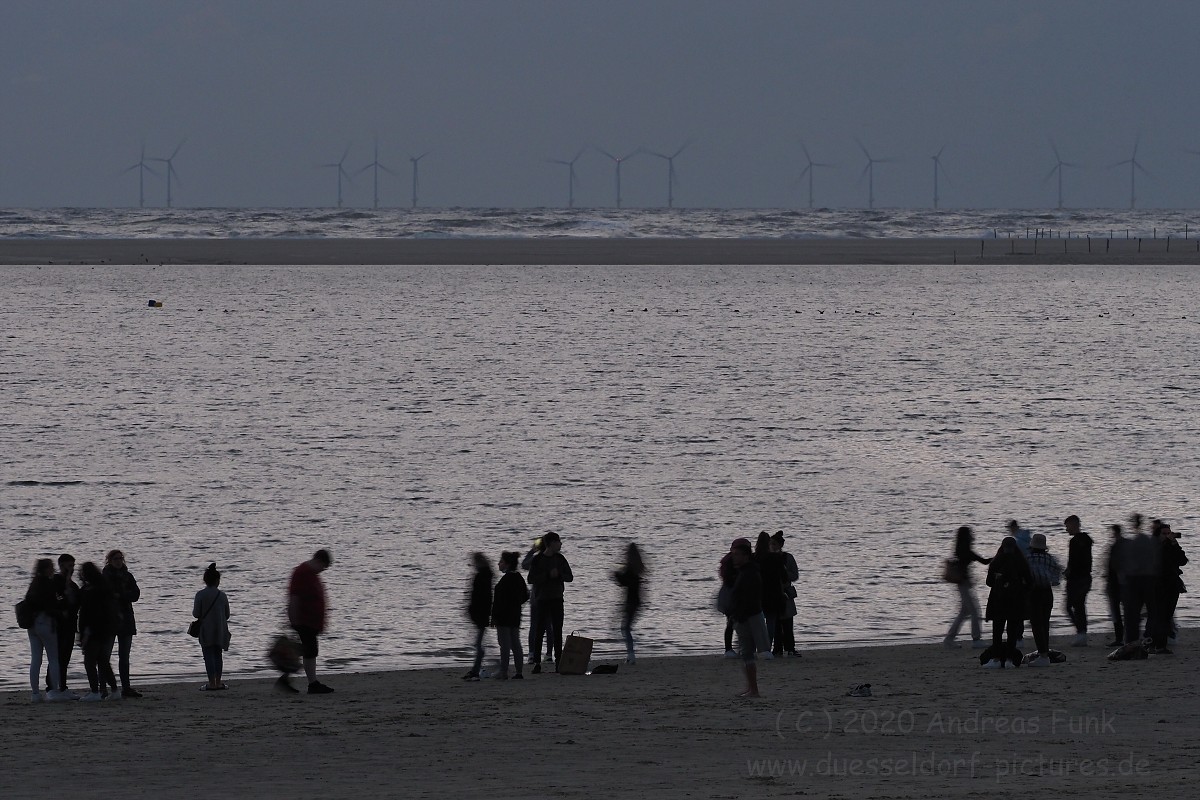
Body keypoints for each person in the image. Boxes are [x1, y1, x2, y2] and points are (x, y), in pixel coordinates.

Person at [283, 549, 334, 694]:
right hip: (303, 620)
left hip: (310, 621)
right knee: (309, 650)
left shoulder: (311, 573)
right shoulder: (303, 573)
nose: (323, 570)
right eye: (323, 567)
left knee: (305, 650)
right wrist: (293, 620)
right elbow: (294, 598)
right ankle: (312, 683)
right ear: (318, 561)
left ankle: (287, 678)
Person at [24, 559, 71, 702]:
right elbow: (51, 605)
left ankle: (35, 694)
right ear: (45, 569)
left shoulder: (34, 584)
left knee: (36, 659)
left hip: (32, 624)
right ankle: (54, 691)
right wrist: (61, 609)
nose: (53, 570)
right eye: (51, 567)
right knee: (53, 658)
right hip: (45, 622)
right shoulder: (48, 584)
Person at [982, 537, 1032, 668]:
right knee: (1012, 632)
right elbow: (1030, 582)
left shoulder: (996, 562)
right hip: (1016, 601)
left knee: (997, 631)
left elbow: (989, 582)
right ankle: (1010, 660)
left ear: (1002, 547)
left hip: (998, 601)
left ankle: (996, 659)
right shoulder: (1021, 562)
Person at [527, 531, 573, 674]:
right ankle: (537, 663)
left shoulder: (560, 559)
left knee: (557, 630)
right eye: (558, 541)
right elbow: (530, 579)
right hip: (541, 599)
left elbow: (570, 577)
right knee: (539, 631)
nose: (561, 544)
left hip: (557, 599)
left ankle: (558, 662)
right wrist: (547, 575)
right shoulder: (538, 559)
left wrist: (559, 575)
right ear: (552, 543)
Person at [77, 561, 121, 701]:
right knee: (103, 660)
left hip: (93, 629)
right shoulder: (104, 588)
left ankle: (95, 691)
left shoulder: (88, 591)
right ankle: (114, 689)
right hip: (106, 628)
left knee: (89, 662)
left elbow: (86, 613)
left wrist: (84, 632)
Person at [102, 549, 143, 698]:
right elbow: (107, 595)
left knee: (124, 656)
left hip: (126, 618)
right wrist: (122, 595)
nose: (119, 561)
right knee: (105, 656)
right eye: (115, 559)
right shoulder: (106, 576)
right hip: (110, 619)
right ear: (110, 560)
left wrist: (121, 595)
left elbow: (136, 594)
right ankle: (103, 688)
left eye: (120, 558)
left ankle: (126, 687)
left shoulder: (127, 575)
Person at [944, 525, 991, 649]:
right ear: (967, 536)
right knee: (975, 611)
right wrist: (998, 557)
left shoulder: (959, 550)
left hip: (962, 584)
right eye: (970, 534)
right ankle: (976, 639)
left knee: (964, 612)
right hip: (964, 584)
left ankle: (949, 639)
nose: (972, 535)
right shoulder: (967, 551)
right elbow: (985, 561)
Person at [728, 539, 763, 697]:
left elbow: (749, 598)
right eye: (733, 554)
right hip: (744, 617)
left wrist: (739, 615)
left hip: (747, 618)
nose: (734, 557)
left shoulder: (749, 573)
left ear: (746, 556)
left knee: (747, 654)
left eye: (737, 555)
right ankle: (751, 688)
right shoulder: (745, 571)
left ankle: (753, 689)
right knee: (745, 654)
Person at [1121, 514, 1160, 645]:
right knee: (1151, 610)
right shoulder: (1147, 541)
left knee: (1134, 613)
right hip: (1148, 579)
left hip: (1136, 580)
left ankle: (1132, 639)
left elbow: (1129, 564)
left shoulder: (1132, 543)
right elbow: (1154, 560)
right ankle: (1148, 635)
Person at [1025, 533, 1063, 666]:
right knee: (1045, 623)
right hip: (1047, 592)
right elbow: (1057, 576)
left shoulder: (1027, 558)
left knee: (1035, 624)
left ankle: (1043, 655)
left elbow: (1024, 576)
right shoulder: (1050, 559)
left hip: (1033, 592)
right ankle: (1044, 653)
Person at [1150, 523, 1187, 655]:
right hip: (1158, 585)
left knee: (1166, 615)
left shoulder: (1172, 547)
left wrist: (1174, 544)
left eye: (1169, 533)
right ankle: (1157, 644)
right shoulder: (1155, 547)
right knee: (1160, 615)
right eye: (1164, 534)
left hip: (1172, 584)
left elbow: (1183, 560)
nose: (1167, 536)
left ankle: (1159, 644)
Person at [193, 563, 231, 690]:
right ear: (217, 580)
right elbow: (227, 614)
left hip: (206, 629)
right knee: (218, 655)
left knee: (208, 655)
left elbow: (196, 613)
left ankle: (211, 683)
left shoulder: (200, 595)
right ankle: (219, 682)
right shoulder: (222, 595)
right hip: (220, 629)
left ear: (205, 580)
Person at [491, 551, 529, 679]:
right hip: (515, 615)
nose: (498, 564)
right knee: (515, 643)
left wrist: (494, 617)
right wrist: (517, 604)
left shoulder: (505, 580)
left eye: (501, 562)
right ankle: (519, 671)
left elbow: (498, 602)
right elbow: (526, 595)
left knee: (505, 645)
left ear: (507, 564)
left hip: (503, 617)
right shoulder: (518, 577)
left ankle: (504, 671)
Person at [47, 554, 80, 696]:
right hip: (58, 625)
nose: (71, 569)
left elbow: (77, 604)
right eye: (69, 566)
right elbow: (54, 600)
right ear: (61, 566)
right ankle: (52, 686)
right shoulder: (55, 581)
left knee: (65, 657)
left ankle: (63, 686)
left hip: (71, 624)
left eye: (73, 566)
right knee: (57, 656)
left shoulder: (73, 585)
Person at [521, 537, 554, 665]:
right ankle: (549, 654)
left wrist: (531, 551)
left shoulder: (536, 559)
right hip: (550, 596)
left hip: (537, 597)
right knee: (548, 626)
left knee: (534, 626)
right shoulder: (553, 558)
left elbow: (524, 564)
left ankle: (532, 654)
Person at [754, 531, 787, 656]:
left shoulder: (753, 558)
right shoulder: (776, 558)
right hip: (773, 593)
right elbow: (784, 577)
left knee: (757, 622)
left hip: (757, 594)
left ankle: (756, 646)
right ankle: (767, 649)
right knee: (771, 621)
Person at [463, 552, 494, 681]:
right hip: (481, 614)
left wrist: (472, 611)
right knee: (479, 643)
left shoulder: (481, 577)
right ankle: (478, 668)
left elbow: (479, 597)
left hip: (479, 614)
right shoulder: (486, 576)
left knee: (478, 645)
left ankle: (476, 670)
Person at [1063, 515, 1093, 647]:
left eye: (1067, 526)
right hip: (1085, 577)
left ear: (1075, 525)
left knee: (1071, 606)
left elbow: (1073, 561)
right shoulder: (1086, 539)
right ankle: (1082, 632)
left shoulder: (1075, 541)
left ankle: (1081, 632)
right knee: (1079, 606)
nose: (1066, 529)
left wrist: (1067, 572)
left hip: (1076, 578)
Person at [614, 543, 645, 664]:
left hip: (630, 601)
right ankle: (631, 653)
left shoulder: (630, 568)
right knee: (626, 628)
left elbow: (624, 582)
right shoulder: (637, 568)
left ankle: (631, 654)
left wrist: (616, 576)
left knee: (625, 628)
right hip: (636, 601)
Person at [769, 532, 800, 657]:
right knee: (775, 623)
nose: (772, 546)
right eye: (770, 544)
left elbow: (795, 575)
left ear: (780, 545)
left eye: (774, 544)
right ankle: (777, 649)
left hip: (785, 592)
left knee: (788, 623)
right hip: (772, 593)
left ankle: (790, 648)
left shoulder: (788, 558)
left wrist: (784, 574)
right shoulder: (767, 558)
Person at [1103, 524, 1127, 647]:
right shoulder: (1127, 545)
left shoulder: (1115, 547)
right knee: (1126, 611)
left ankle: (1119, 638)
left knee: (1116, 612)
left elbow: (1111, 567)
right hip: (1125, 583)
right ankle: (1126, 637)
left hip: (1116, 584)